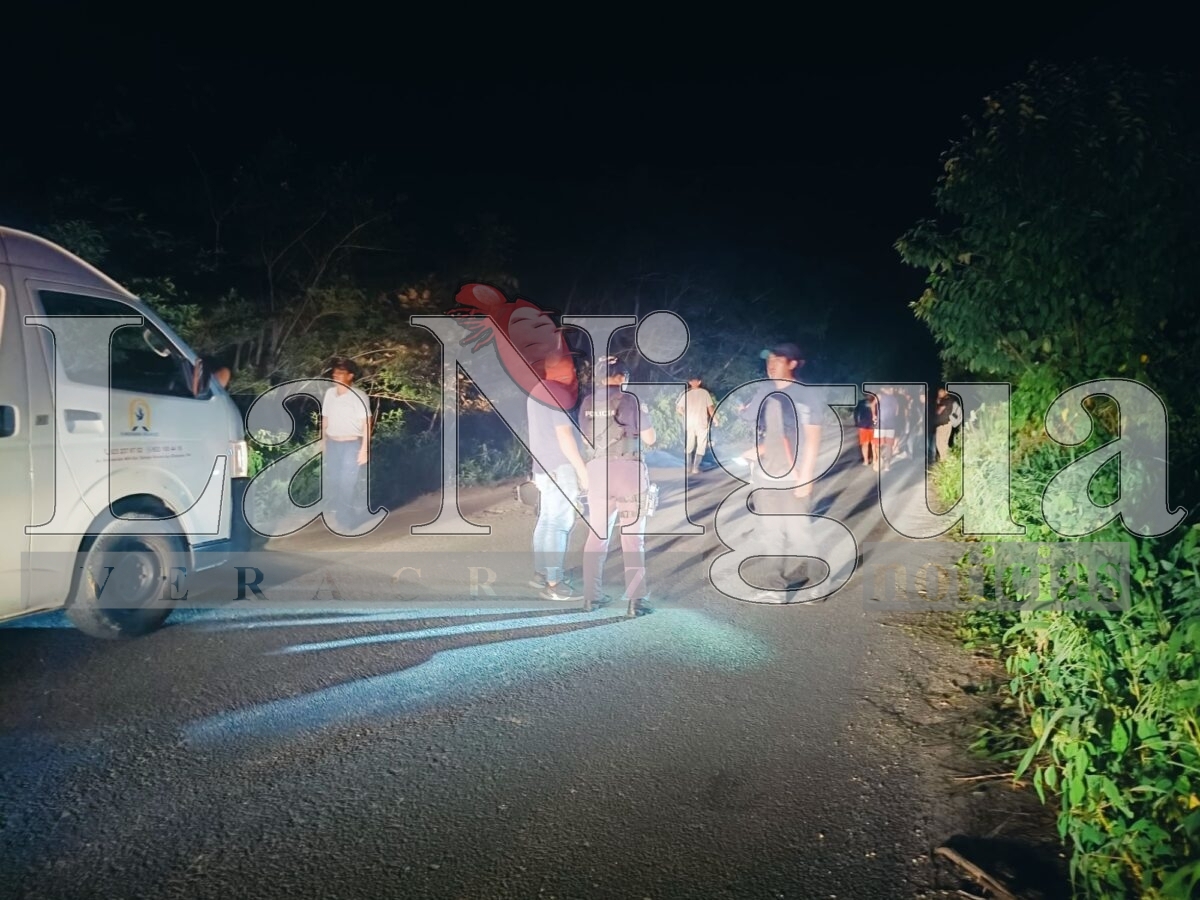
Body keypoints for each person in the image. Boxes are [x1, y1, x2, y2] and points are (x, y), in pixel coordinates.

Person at [742, 342, 824, 604]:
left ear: (793, 363)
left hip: (794, 476)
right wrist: (759, 449)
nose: (772, 365)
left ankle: (819, 583)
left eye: (778, 360)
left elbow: (812, 437)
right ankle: (774, 588)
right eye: (769, 360)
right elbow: (772, 433)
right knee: (771, 532)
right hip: (766, 474)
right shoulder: (765, 392)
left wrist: (806, 476)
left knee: (799, 533)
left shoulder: (806, 396)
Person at [579, 355, 656, 617]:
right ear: (623, 377)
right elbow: (650, 438)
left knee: (597, 536)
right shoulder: (631, 400)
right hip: (628, 471)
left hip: (598, 472)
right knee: (632, 539)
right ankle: (635, 601)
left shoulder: (588, 402)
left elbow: (585, 438)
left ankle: (591, 597)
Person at [527, 374, 589, 601]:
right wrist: (582, 471)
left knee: (546, 520)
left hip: (543, 467)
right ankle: (555, 584)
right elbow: (564, 435)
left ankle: (541, 574)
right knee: (559, 524)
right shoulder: (556, 393)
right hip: (560, 467)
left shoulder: (536, 391)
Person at [321, 357, 371, 531]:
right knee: (335, 480)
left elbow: (366, 423)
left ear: (350, 376)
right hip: (333, 444)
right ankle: (344, 513)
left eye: (341, 373)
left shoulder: (359, 396)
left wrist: (364, 449)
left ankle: (345, 520)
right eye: (335, 372)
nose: (336, 375)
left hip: (351, 444)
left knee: (347, 482)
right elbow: (325, 418)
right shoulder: (330, 394)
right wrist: (323, 440)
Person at [675, 376, 715, 475]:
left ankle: (688, 468)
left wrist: (685, 415)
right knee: (701, 445)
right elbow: (710, 408)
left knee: (689, 445)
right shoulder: (704, 393)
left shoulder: (686, 394)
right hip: (701, 423)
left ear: (690, 382)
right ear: (699, 382)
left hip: (690, 423)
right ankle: (695, 468)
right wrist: (715, 419)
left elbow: (678, 408)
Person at [933, 387, 962, 462]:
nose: (939, 393)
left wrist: (937, 402)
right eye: (939, 392)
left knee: (940, 443)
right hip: (944, 424)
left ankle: (947, 460)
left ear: (946, 391)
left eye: (941, 391)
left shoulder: (947, 400)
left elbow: (938, 411)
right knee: (942, 443)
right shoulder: (946, 400)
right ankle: (946, 460)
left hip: (944, 425)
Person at [853, 394, 877, 466]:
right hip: (868, 426)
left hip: (867, 426)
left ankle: (869, 460)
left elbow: (856, 413)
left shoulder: (861, 403)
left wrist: (857, 423)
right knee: (870, 444)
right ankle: (871, 460)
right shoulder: (874, 402)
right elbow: (856, 413)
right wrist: (857, 422)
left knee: (869, 444)